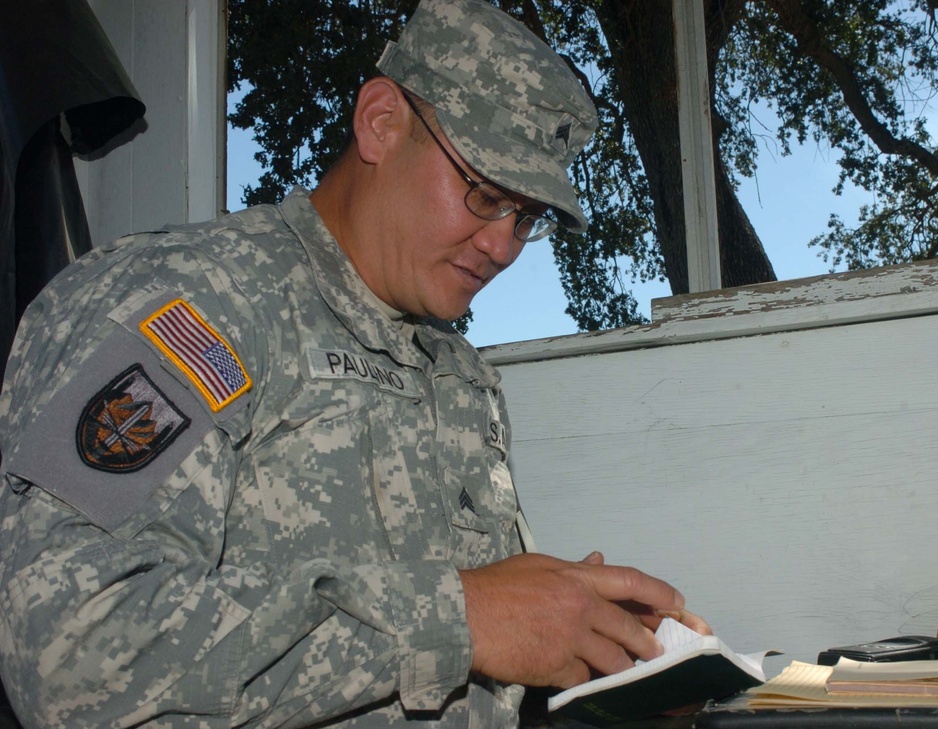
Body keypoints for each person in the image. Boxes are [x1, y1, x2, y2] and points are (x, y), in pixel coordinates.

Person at [0, 0, 709, 726]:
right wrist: (463, 615)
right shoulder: (195, 303)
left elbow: (476, 648)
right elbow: (69, 652)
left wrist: (591, 640)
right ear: (379, 122)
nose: (502, 246)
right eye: (485, 193)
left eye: (524, 217)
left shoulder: (457, 373)